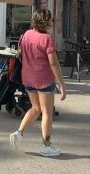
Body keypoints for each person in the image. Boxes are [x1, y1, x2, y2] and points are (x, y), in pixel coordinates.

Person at [9, 9, 67, 157]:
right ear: (46, 22)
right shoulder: (47, 38)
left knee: (35, 108)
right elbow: (53, 64)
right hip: (44, 79)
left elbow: (20, 53)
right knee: (47, 112)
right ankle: (46, 146)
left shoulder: (26, 34)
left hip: (28, 77)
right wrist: (61, 84)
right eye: (51, 20)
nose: (52, 22)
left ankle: (19, 133)